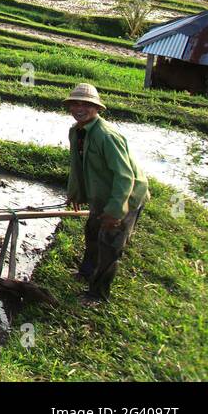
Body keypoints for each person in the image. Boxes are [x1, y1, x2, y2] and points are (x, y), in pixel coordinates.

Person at [64, 83, 150, 304]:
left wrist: (115, 211)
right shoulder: (77, 132)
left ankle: (97, 295)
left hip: (126, 196)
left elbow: (124, 177)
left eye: (86, 104)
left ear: (96, 108)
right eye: (75, 103)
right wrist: (76, 193)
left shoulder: (107, 136)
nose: (80, 108)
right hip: (102, 194)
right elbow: (78, 165)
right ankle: (85, 273)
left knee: (109, 244)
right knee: (92, 231)